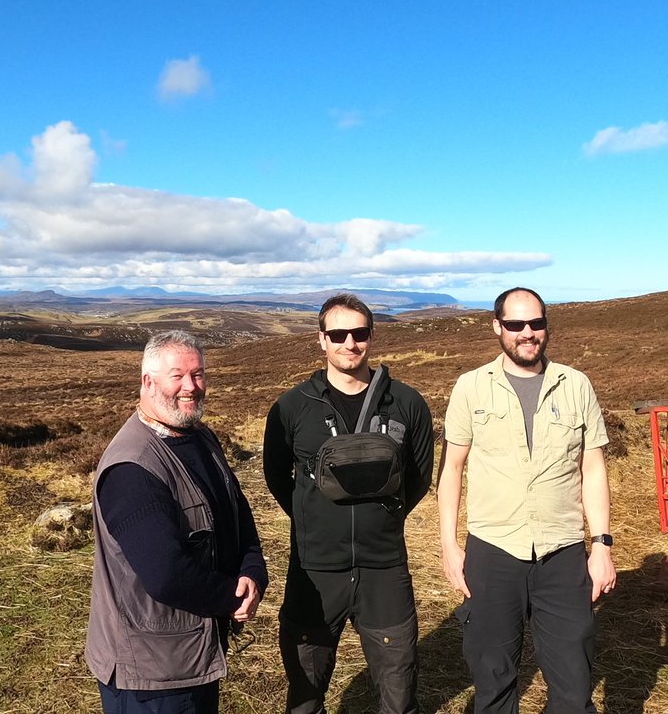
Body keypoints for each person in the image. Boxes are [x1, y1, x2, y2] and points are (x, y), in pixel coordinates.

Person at [437, 288, 615, 714]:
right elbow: (452, 470)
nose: (527, 333)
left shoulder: (576, 385)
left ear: (545, 326)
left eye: (535, 323)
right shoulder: (471, 387)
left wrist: (602, 547)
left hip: (563, 552)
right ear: (498, 327)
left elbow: (592, 470)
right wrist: (448, 544)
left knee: (573, 688)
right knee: (493, 684)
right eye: (516, 325)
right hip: (493, 550)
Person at [263, 294, 435, 714]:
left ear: (372, 336)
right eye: (337, 334)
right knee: (305, 695)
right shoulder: (291, 408)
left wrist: (384, 519)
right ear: (321, 339)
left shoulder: (407, 403)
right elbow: (276, 475)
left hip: (384, 568)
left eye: (359, 333)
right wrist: (314, 519)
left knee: (398, 695)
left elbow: (419, 478)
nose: (349, 343)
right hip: (315, 570)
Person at [85, 330, 268, 714]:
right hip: (150, 674)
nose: (191, 387)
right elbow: (166, 574)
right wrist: (230, 597)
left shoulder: (199, 438)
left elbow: (237, 509)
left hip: (189, 656)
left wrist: (252, 569)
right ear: (148, 382)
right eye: (178, 376)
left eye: (198, 374)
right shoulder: (132, 468)